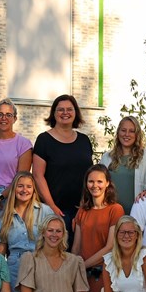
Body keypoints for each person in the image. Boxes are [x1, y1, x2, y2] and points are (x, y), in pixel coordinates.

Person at [72, 165, 125, 292]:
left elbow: (111, 246)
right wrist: (74, 268)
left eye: (99, 181)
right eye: (91, 181)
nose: (95, 185)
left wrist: (83, 265)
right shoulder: (82, 211)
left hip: (103, 277)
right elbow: (76, 246)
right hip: (81, 278)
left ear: (108, 184)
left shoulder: (116, 210)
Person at [32, 94, 94, 239]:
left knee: (78, 255)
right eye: (60, 109)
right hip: (53, 210)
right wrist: (52, 207)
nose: (65, 113)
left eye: (69, 109)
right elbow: (37, 175)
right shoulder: (44, 140)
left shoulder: (84, 141)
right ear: (54, 113)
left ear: (75, 113)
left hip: (83, 209)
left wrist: (84, 205)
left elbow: (89, 175)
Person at [0, 171, 54, 292]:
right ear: (14, 189)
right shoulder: (5, 216)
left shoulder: (45, 211)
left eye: (28, 186)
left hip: (41, 263)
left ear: (33, 189)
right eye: (20, 186)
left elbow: (56, 239)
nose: (24, 190)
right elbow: (0, 252)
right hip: (15, 266)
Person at [100, 115, 146, 209]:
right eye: (123, 130)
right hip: (111, 213)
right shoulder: (107, 157)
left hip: (137, 212)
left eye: (131, 131)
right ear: (118, 133)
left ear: (137, 134)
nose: (127, 134)